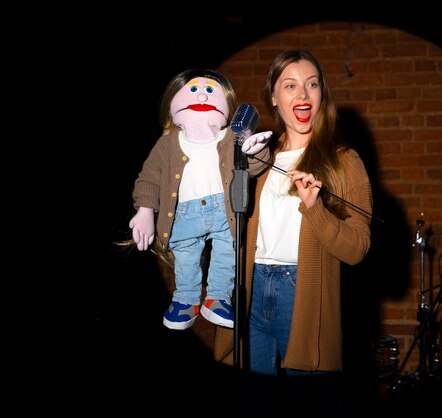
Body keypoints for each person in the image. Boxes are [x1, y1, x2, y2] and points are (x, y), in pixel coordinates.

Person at [214, 49, 373, 416]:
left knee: (313, 408)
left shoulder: (343, 160)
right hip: (250, 290)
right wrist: (236, 165)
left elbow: (358, 247)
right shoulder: (257, 157)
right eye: (290, 85)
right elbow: (226, 224)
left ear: (321, 95)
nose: (302, 94)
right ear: (274, 97)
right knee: (251, 406)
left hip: (302, 294)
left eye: (312, 84)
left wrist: (315, 207)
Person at [128, 69, 272, 330]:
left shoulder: (231, 138)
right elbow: (149, 177)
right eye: (194, 90)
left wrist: (254, 151)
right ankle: (186, 300)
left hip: (223, 210)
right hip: (183, 214)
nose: (203, 96)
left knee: (227, 253)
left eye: (210, 90)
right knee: (185, 255)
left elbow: (252, 167)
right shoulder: (167, 144)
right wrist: (145, 210)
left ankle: (217, 299)